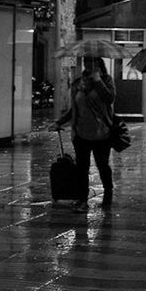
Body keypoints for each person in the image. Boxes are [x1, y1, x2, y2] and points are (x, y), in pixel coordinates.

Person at [50, 57, 116, 212]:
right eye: (87, 62)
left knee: (102, 165)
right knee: (82, 168)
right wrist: (60, 122)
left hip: (102, 133)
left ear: (99, 64)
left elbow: (109, 99)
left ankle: (108, 193)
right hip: (81, 134)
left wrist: (98, 81)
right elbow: (74, 108)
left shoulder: (106, 80)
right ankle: (82, 200)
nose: (89, 65)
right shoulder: (78, 83)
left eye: (93, 62)